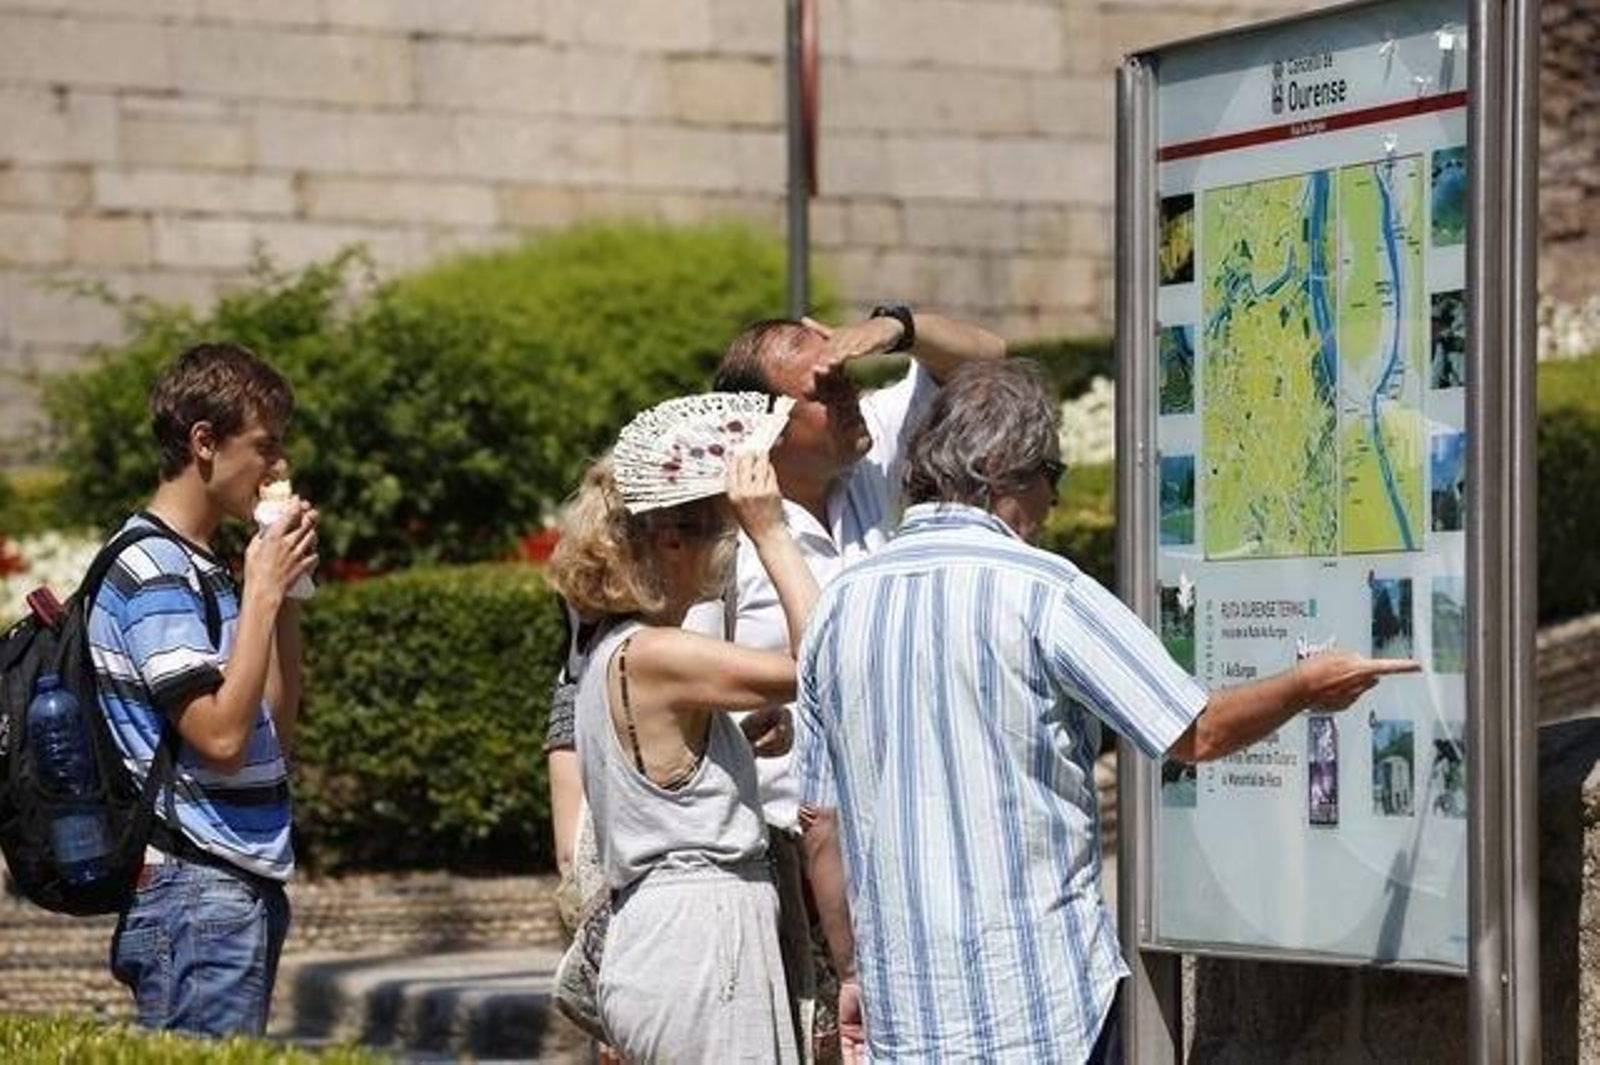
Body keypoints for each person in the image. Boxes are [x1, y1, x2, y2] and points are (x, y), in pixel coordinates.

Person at [794, 360, 1420, 1061]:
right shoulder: (1045, 592)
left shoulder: (836, 609)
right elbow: (1197, 730)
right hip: (1041, 1004)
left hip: (906, 1014)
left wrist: (854, 972)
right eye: (1051, 474)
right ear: (1000, 469)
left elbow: (821, 822)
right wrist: (1306, 686)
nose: (1054, 503)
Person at [711, 306, 1006, 1051]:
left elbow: (986, 362)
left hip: (906, 842)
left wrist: (894, 326)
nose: (850, 395)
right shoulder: (721, 540)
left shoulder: (867, 464)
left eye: (849, 378)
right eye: (826, 387)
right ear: (768, 427)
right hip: (789, 862)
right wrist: (764, 712)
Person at [546, 412, 819, 1062]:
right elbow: (824, 660)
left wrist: (733, 749)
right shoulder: (657, 652)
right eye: (722, 532)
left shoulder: (614, 652)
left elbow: (662, 779)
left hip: (670, 935)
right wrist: (774, 531)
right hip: (698, 938)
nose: (729, 551)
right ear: (671, 540)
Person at [88, 341, 319, 1036]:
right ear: (204, 442)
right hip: (194, 888)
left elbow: (271, 723)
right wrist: (260, 588)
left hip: (234, 884)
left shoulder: (205, 564)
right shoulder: (154, 568)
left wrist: (285, 592)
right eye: (265, 447)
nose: (277, 467)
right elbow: (218, 736)